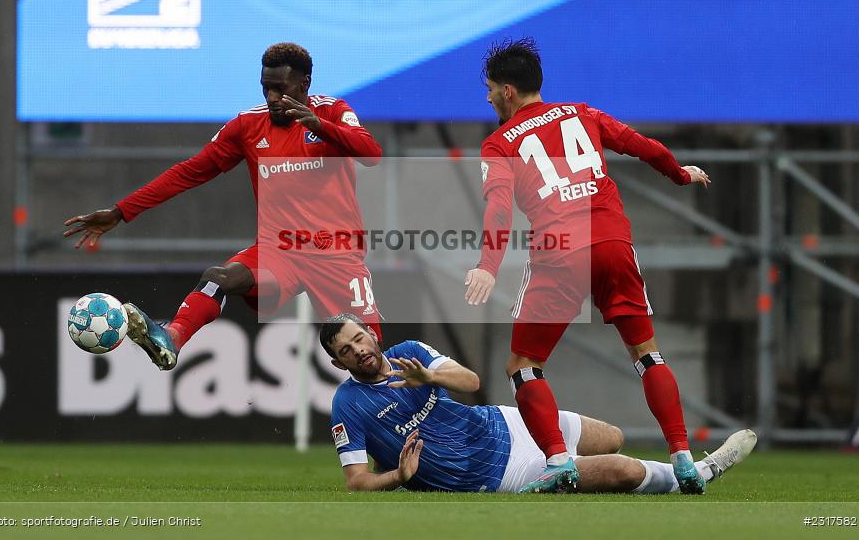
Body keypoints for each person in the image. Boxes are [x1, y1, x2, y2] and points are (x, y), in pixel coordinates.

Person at [463, 38, 713, 493]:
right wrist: (680, 173)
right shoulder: (582, 113)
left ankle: (559, 461)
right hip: (614, 242)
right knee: (646, 354)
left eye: (491, 88)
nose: (487, 97)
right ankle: (682, 458)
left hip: (559, 251)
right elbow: (643, 146)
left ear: (509, 93)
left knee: (523, 365)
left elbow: (498, 209)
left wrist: (486, 266)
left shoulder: (500, 143)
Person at [64, 43, 383, 371]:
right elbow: (190, 171)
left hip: (337, 254)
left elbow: (371, 155)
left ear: (304, 84)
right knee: (218, 277)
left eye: (280, 89)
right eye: (265, 88)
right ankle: (171, 337)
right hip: (280, 252)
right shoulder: (248, 126)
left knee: (369, 356)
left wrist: (318, 126)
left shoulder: (332, 111)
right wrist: (121, 210)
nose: (271, 97)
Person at [320, 314, 755, 494]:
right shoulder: (348, 405)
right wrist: (399, 475)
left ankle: (640, 475)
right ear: (338, 362)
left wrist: (429, 376)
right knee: (621, 468)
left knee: (612, 437)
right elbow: (356, 480)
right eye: (345, 349)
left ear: (371, 333)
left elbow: (470, 380)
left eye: (359, 337)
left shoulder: (409, 351)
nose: (357, 349)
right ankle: (696, 474)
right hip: (500, 472)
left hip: (505, 424)